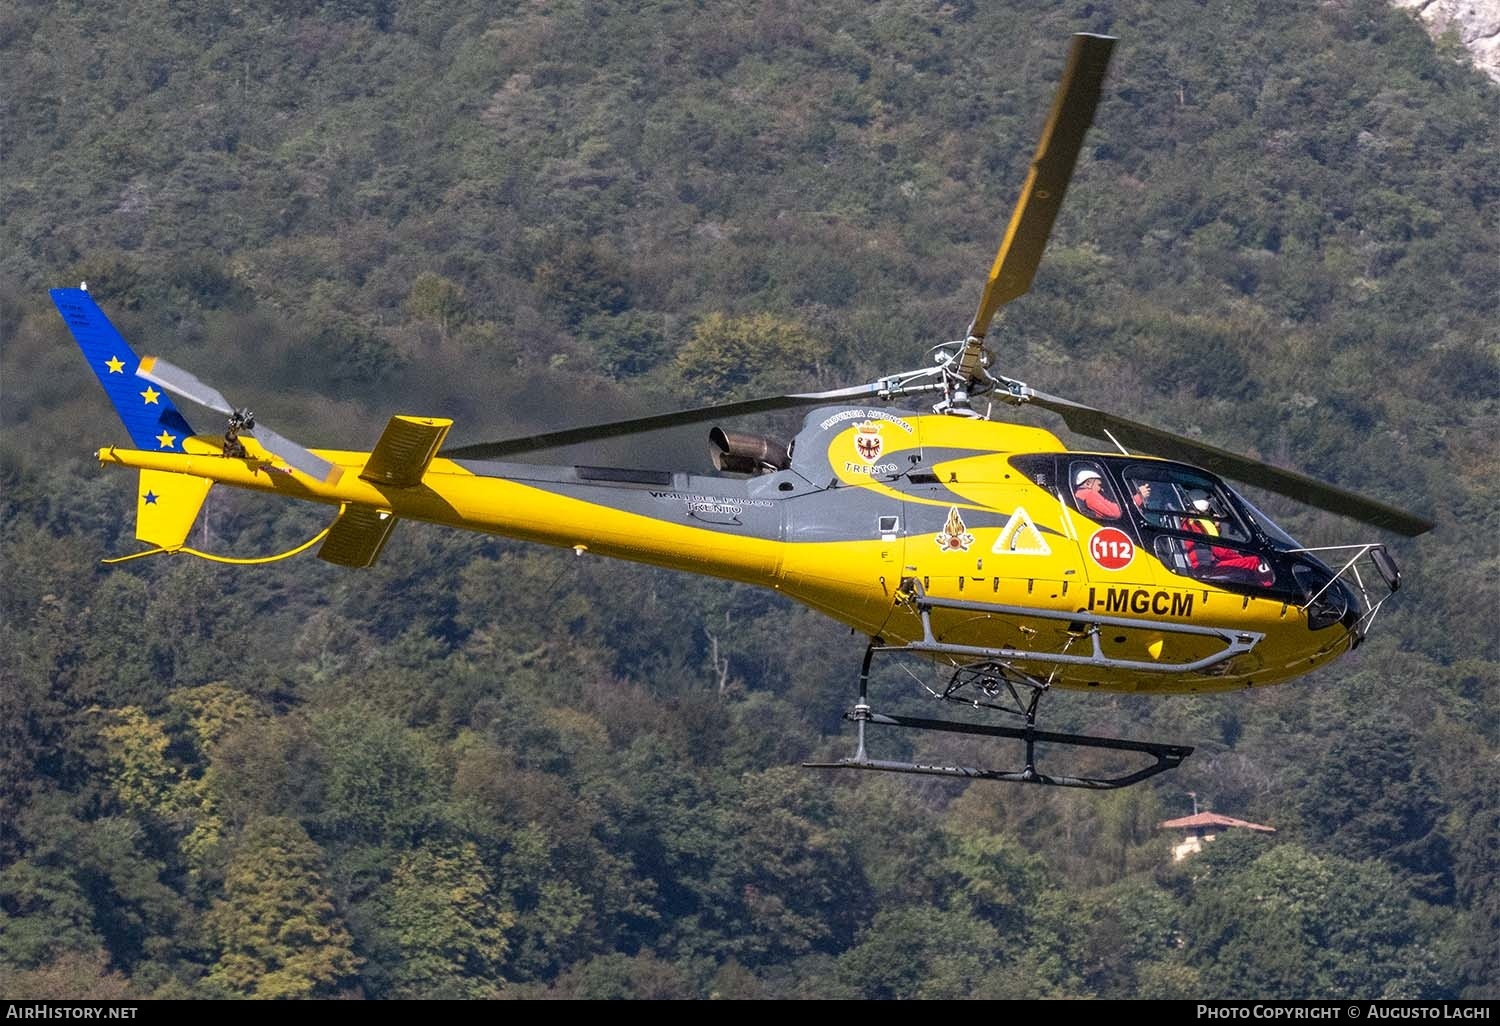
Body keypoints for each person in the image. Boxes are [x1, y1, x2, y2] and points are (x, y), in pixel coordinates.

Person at [1182, 494, 1271, 584]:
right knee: (1255, 562)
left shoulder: (1186, 523)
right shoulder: (1202, 525)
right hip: (1207, 570)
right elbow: (1221, 551)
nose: (1214, 515)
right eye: (1212, 512)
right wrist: (1240, 557)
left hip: (1198, 568)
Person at [1073, 468, 1149, 520]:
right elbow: (1116, 512)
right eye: (1099, 485)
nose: (1101, 489)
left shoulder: (1079, 494)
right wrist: (1140, 496)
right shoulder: (1088, 493)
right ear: (1088, 484)